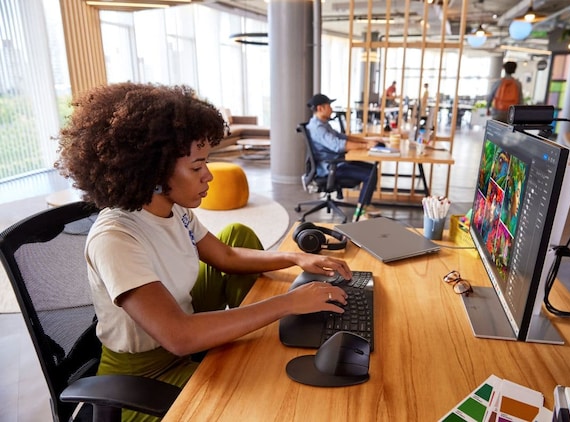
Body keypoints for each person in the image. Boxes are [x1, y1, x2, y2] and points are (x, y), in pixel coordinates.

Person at [54, 82, 352, 422]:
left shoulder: (174, 210)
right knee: (266, 402)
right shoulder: (116, 238)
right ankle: (271, 331)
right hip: (143, 376)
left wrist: (296, 257)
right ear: (153, 171)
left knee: (237, 233)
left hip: (185, 326)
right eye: (197, 167)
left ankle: (272, 335)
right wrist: (287, 303)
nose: (207, 175)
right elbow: (179, 337)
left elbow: (227, 256)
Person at [306, 93, 381, 221]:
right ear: (320, 108)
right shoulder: (317, 127)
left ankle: (365, 205)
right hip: (331, 167)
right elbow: (338, 146)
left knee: (372, 169)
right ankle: (360, 213)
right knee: (369, 174)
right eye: (329, 106)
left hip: (336, 162)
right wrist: (366, 146)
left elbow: (342, 137)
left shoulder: (322, 124)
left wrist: (365, 140)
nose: (332, 109)